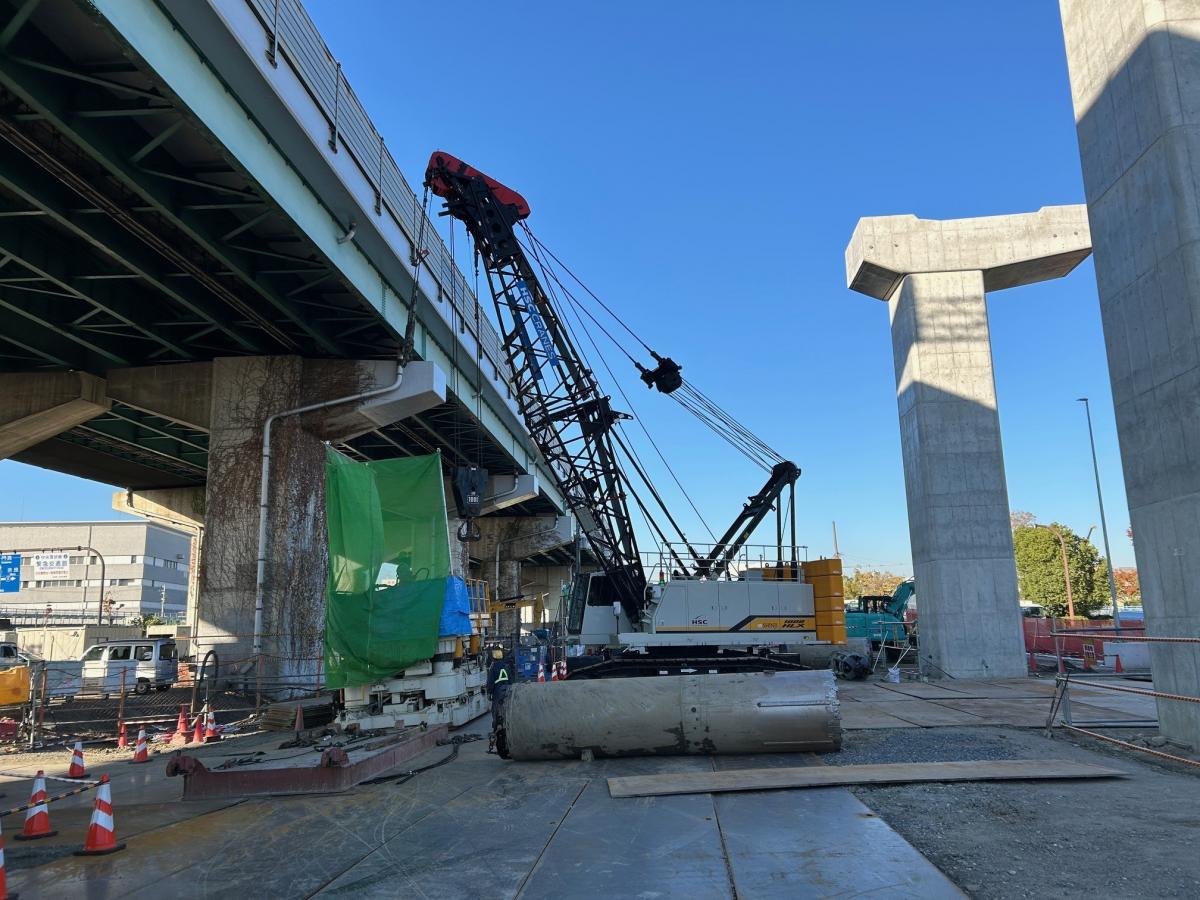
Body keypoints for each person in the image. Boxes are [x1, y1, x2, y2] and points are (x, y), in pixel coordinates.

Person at [486, 647, 513, 754]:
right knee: (507, 709)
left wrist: (489, 692)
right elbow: (511, 679)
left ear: (494, 659)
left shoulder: (493, 669)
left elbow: (490, 683)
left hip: (498, 692)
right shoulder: (506, 666)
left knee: (496, 711)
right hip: (507, 690)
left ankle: (496, 730)